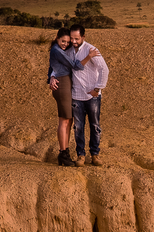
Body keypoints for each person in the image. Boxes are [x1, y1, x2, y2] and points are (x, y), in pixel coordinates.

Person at [46, 28, 100, 167]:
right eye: (63, 41)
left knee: (69, 120)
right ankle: (63, 153)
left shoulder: (63, 49)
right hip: (62, 84)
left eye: (68, 41)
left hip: (66, 82)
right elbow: (75, 66)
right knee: (65, 120)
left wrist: (51, 76)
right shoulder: (57, 50)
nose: (66, 43)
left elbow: (53, 66)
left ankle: (65, 152)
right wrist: (89, 56)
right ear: (57, 38)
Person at [68, 25, 109, 167]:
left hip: (92, 96)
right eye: (71, 38)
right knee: (78, 127)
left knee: (95, 125)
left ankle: (95, 154)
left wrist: (98, 88)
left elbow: (104, 69)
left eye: (76, 38)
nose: (73, 41)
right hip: (76, 95)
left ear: (83, 37)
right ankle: (80, 155)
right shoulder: (67, 50)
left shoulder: (91, 50)